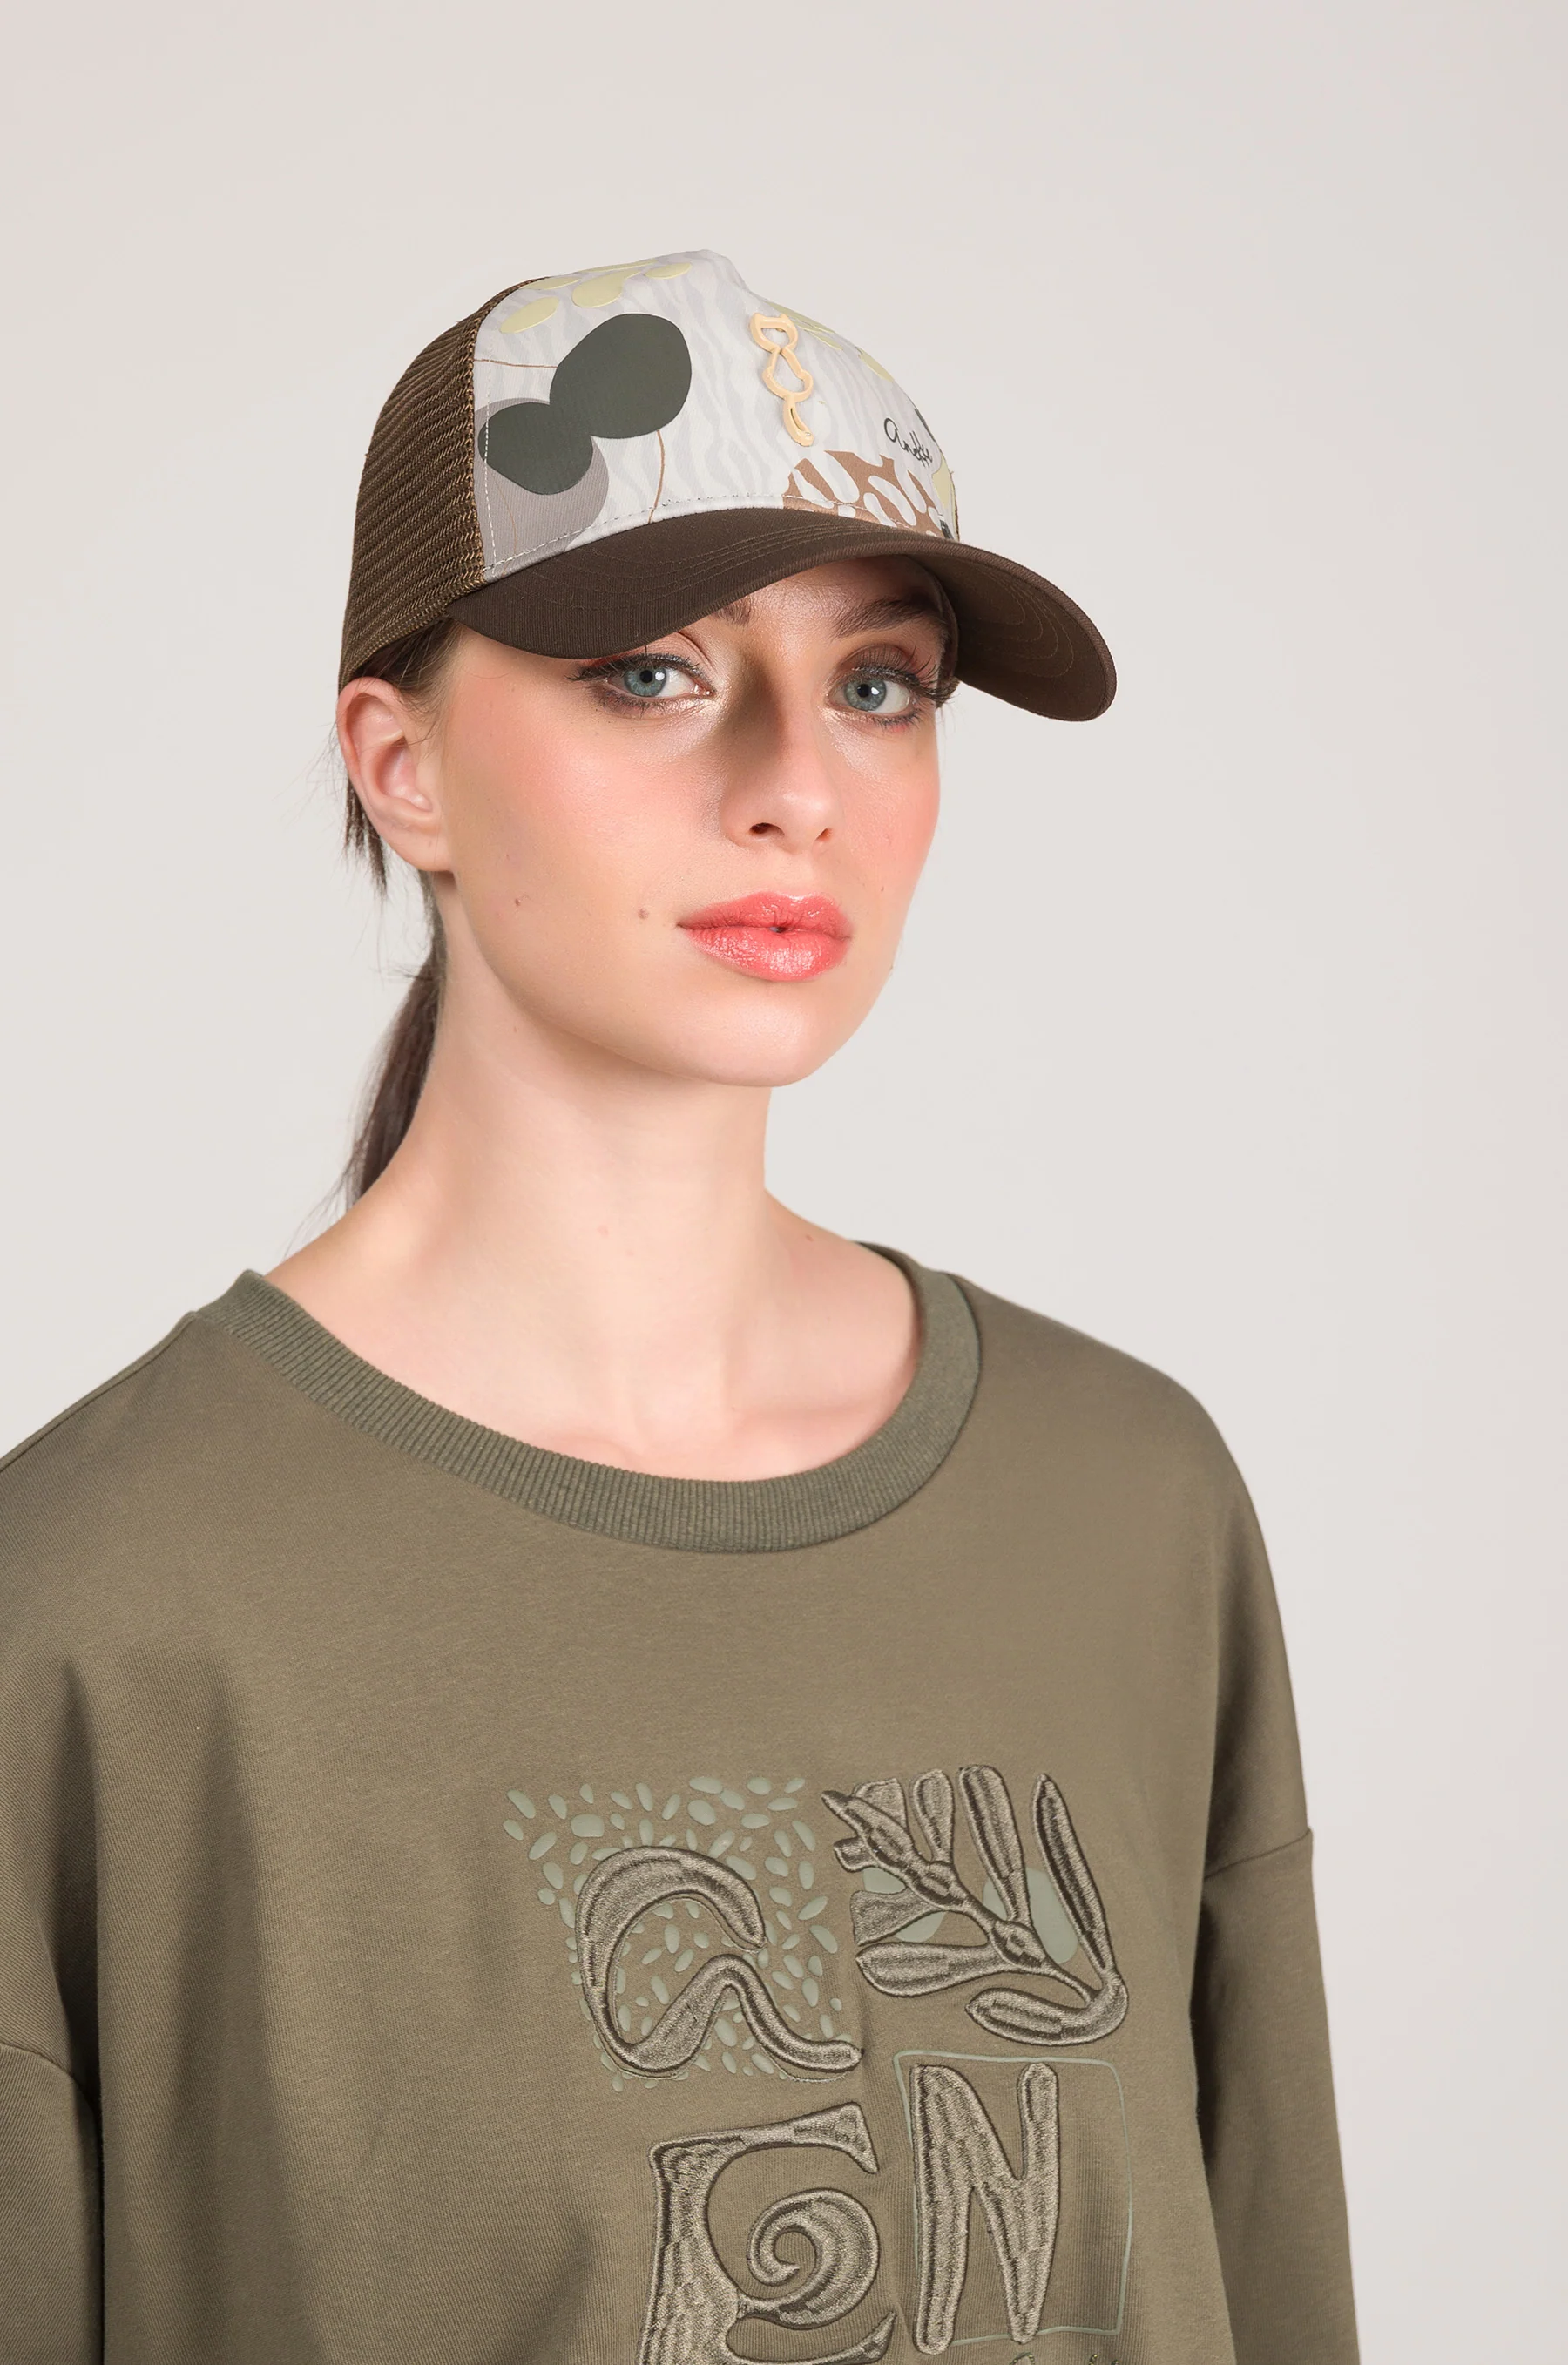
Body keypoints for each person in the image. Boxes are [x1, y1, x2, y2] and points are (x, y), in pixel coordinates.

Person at [0, 250, 1358, 2365]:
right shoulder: (97, 1607)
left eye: (880, 683)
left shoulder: (1126, 1508)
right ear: (401, 763)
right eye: (650, 670)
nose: (796, 777)